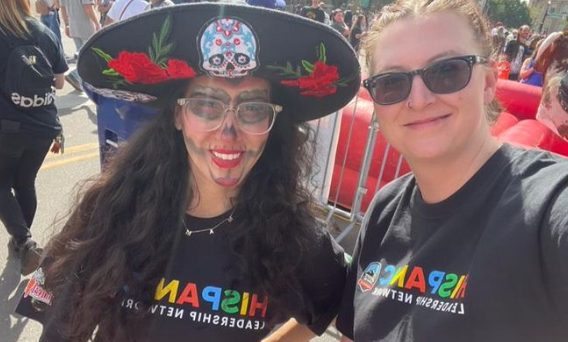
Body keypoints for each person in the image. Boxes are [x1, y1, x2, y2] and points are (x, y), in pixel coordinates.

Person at [14, 3, 361, 342]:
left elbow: (334, 302)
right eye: (207, 104)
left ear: (273, 124)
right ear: (178, 116)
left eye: (252, 109)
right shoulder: (111, 212)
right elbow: (58, 329)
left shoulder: (291, 235)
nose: (228, 131)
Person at [335, 0, 568, 341]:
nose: (418, 99)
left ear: (489, 83)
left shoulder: (548, 202)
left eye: (447, 71)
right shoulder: (385, 209)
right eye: (391, 82)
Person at [0, 0, 67, 275]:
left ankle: (24, 241)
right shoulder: (43, 31)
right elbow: (60, 81)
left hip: (8, 127)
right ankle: (21, 244)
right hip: (43, 126)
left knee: (2, 183)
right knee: (26, 181)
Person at [60, 0, 100, 91]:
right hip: (86, 25)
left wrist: (67, 24)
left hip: (73, 24)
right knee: (90, 55)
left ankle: (81, 80)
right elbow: (88, 8)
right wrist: (97, 24)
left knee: (80, 54)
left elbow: (63, 8)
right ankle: (76, 75)